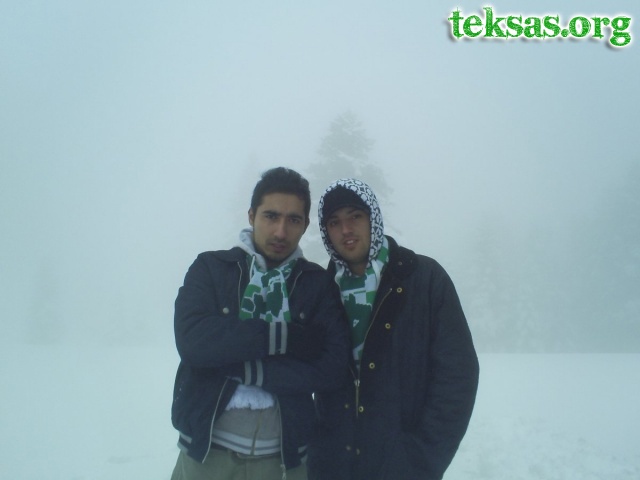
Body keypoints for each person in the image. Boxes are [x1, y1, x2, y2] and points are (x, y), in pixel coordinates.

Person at [170, 167, 350, 480]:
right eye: (271, 216)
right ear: (252, 215)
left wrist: (249, 370)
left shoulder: (316, 284)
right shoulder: (211, 268)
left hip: (282, 463)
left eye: (293, 220)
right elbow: (193, 342)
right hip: (205, 459)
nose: (281, 231)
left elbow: (331, 367)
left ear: (305, 225)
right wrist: (285, 338)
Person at [308, 178, 479, 480]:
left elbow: (457, 375)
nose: (346, 229)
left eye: (355, 216)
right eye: (334, 222)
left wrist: (421, 459)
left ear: (373, 218)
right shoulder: (322, 290)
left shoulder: (424, 279)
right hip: (333, 467)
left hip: (402, 467)